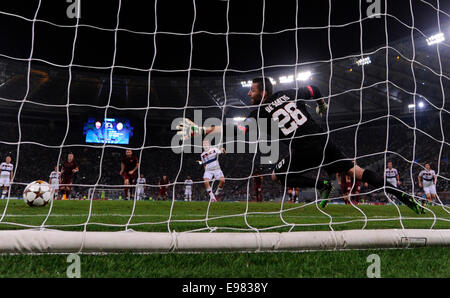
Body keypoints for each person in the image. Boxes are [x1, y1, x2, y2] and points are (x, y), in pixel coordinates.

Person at [176, 77, 424, 214]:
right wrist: (322, 104)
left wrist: (202, 129)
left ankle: (323, 184)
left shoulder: (260, 111)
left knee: (277, 175)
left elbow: (236, 129)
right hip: (323, 139)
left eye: (252, 90)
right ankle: (402, 195)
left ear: (263, 93)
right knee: (356, 171)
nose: (250, 93)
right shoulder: (289, 93)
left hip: (305, 148)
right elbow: (313, 88)